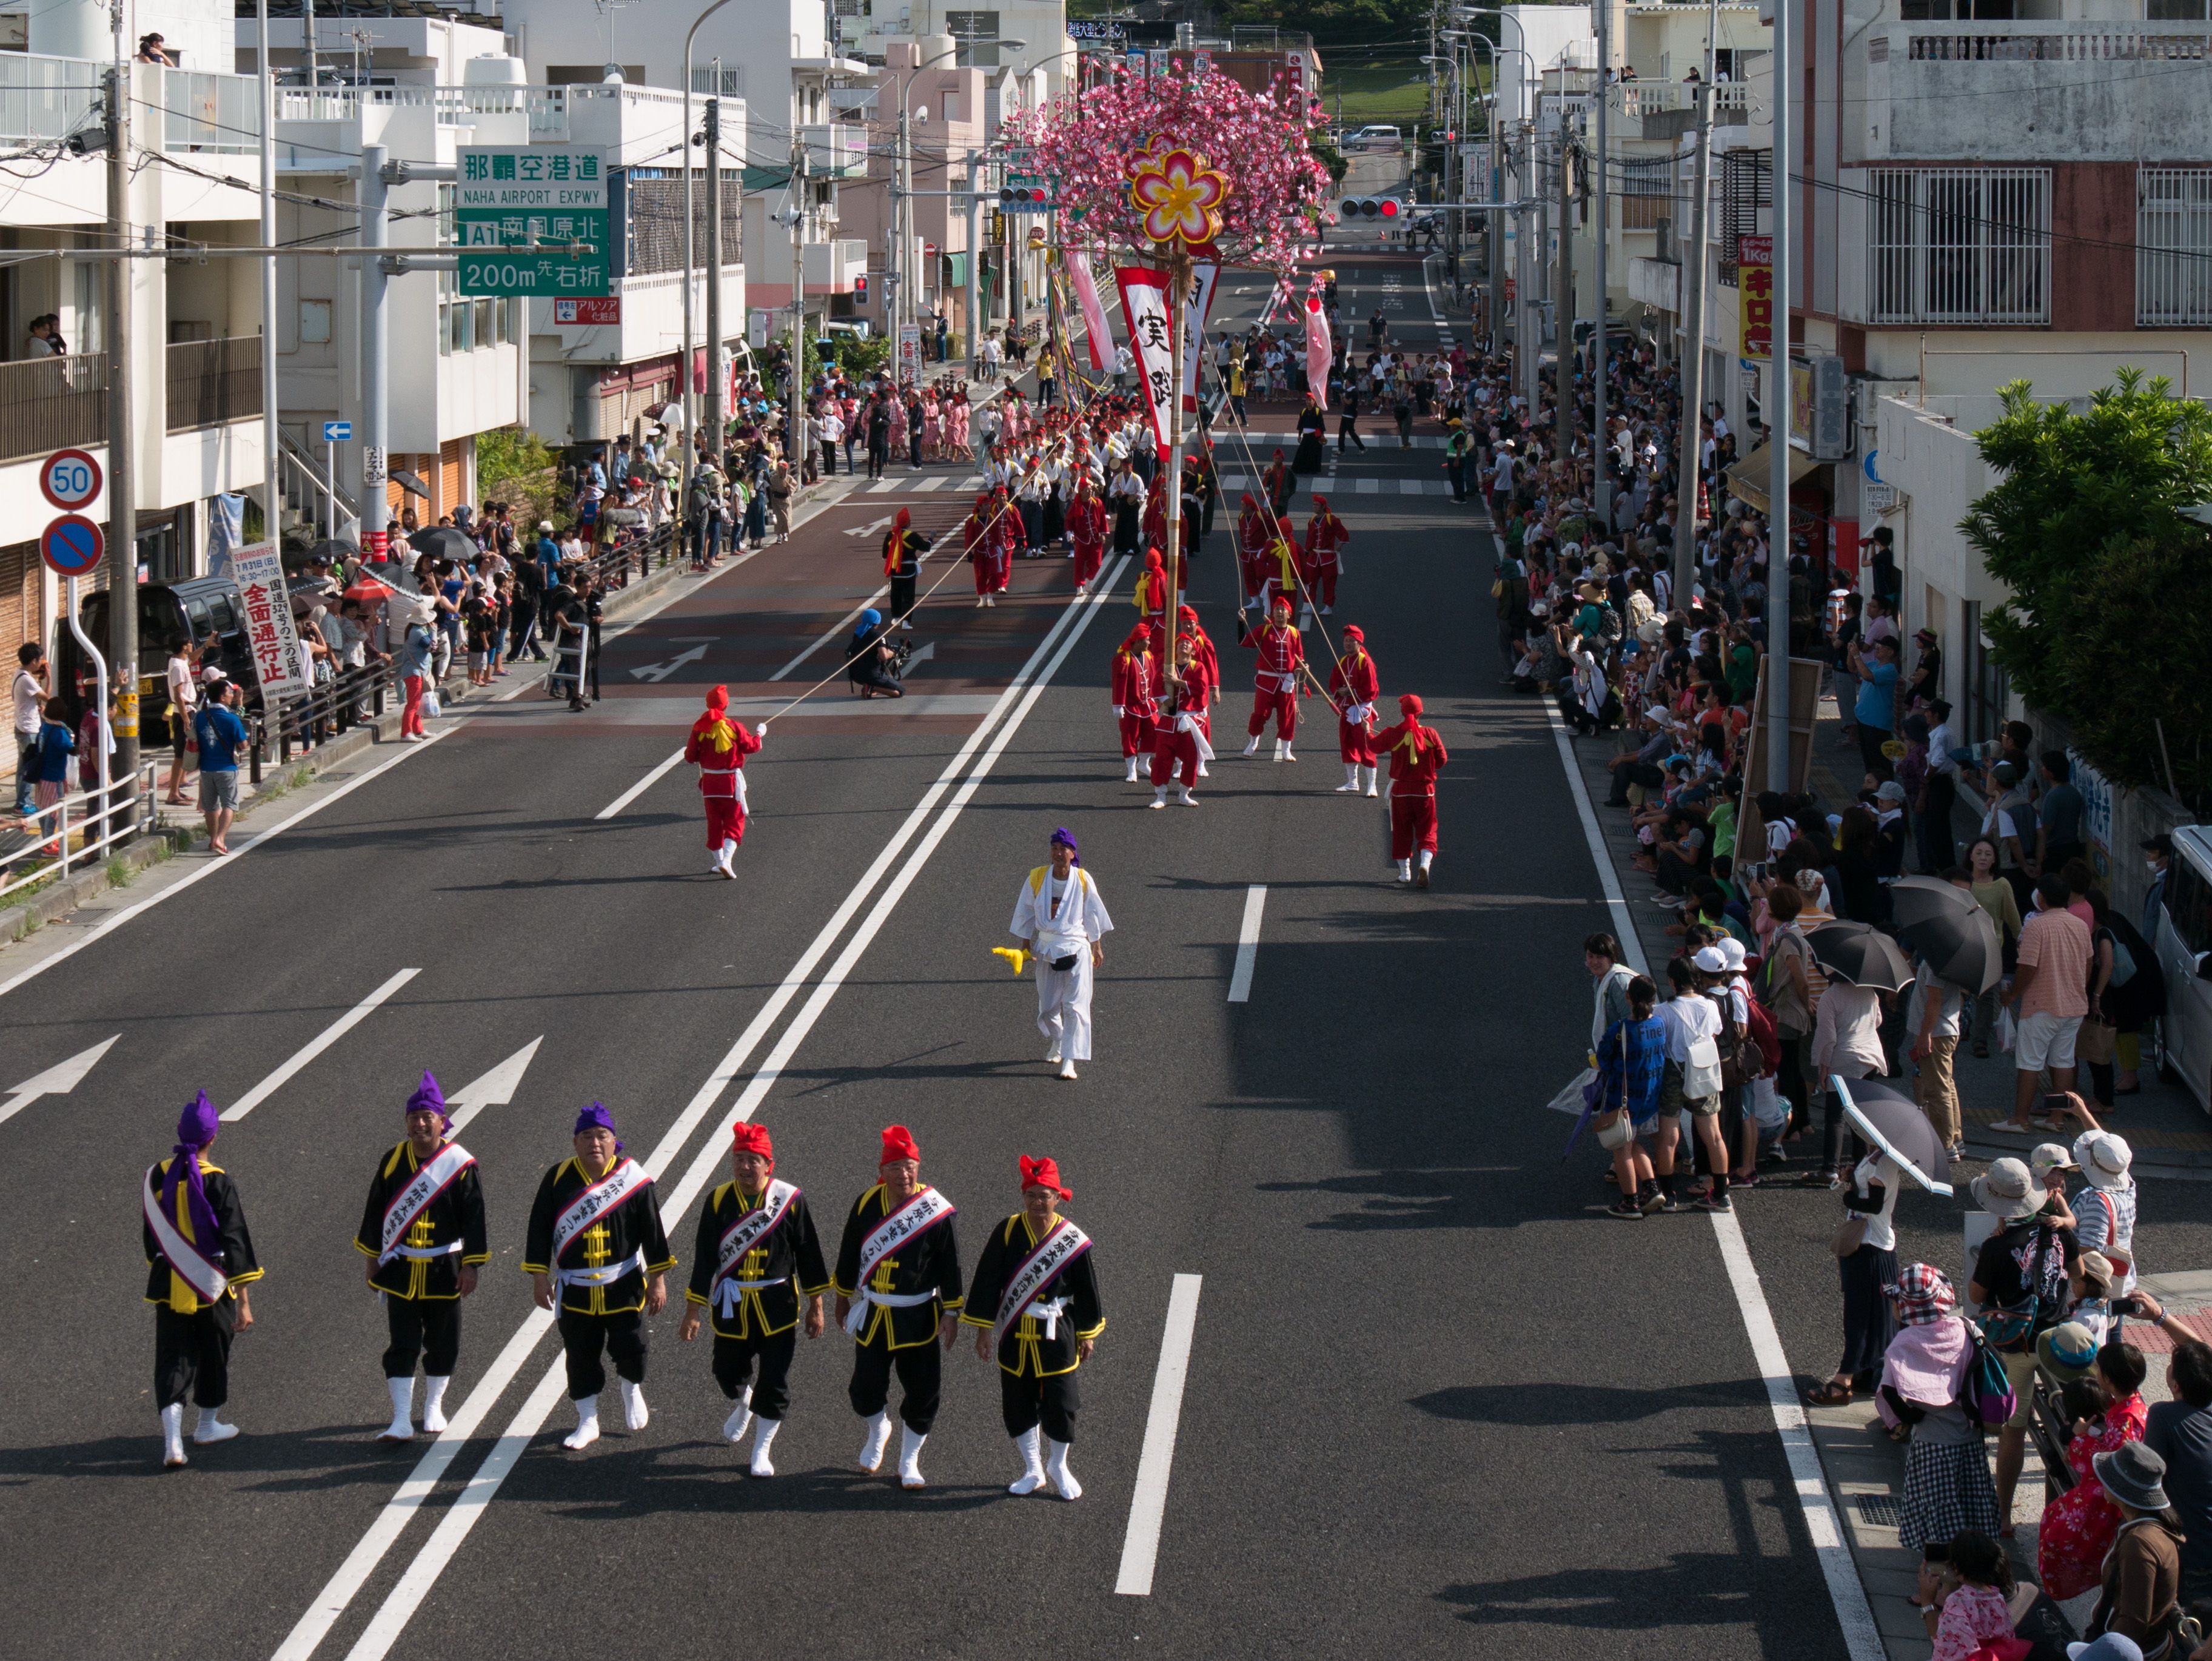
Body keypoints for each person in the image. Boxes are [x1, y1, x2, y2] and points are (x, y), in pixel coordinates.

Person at [679, 1121, 830, 1477]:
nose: (745, 1167)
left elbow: (809, 1255)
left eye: (753, 1160)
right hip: (732, 1306)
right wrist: (693, 1310)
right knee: (725, 1371)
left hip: (777, 1307)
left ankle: (761, 1448)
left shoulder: (790, 1200)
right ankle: (744, 1402)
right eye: (739, 1160)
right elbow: (705, 1258)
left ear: (768, 1165)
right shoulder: (718, 1200)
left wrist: (817, 1306)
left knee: (774, 1380)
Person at [522, 1104, 676, 1451]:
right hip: (576, 1288)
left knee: (633, 1345)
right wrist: (539, 1277)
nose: (594, 1143)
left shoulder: (632, 1178)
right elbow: (539, 1229)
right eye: (587, 1136)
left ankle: (631, 1388)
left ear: (613, 1141)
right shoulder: (558, 1178)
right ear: (575, 1142)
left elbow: (653, 1231)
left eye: (601, 1136)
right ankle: (587, 1420)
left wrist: (658, 1280)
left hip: (622, 1283)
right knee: (580, 1355)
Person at [353, 1072, 488, 1443]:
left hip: (445, 1268)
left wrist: (472, 1266)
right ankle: (400, 1418)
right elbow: (375, 1212)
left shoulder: (459, 1164)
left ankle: (433, 1407)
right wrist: (372, 1261)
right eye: (414, 1117)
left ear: (442, 1122)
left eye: (428, 1117)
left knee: (444, 1342)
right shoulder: (393, 1160)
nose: (420, 1124)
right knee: (403, 1342)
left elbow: (474, 1217)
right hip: (401, 1269)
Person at [962, 1155, 1106, 1500]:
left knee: (1063, 1402)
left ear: (1058, 1198)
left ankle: (1058, 1465)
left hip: (1058, 1330)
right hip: (1016, 1331)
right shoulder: (1008, 1230)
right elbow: (987, 1281)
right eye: (1031, 1195)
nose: (1037, 1202)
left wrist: (1086, 1334)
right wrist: (984, 1330)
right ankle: (1032, 1468)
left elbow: (1087, 1288)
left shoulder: (1070, 1238)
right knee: (1018, 1401)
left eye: (1044, 1196)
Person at [833, 1126, 964, 1491]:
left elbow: (951, 1264)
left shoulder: (935, 1210)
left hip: (919, 1316)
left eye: (910, 1167)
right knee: (864, 1388)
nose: (904, 1174)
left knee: (923, 1391)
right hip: (875, 1314)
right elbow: (849, 1252)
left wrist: (951, 1313)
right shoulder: (866, 1203)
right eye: (895, 1167)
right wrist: (841, 1296)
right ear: (882, 1170)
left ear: (918, 1168)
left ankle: (909, 1459)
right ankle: (879, 1429)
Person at [143, 1090, 263, 1468]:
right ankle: (207, 1427)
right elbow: (235, 1241)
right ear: (213, 1137)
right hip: (213, 1285)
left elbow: (151, 1238)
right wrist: (244, 1302)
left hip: (169, 1282)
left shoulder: (156, 1175)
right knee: (214, 1353)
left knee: (173, 1357)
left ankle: (173, 1442)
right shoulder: (218, 1182)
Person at [1968, 1155, 2080, 1534]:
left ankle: (2003, 1515)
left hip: (2016, 1346)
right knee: (2071, 1422)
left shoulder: (1996, 1247)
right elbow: (2079, 1276)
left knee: (2014, 1431)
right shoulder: (2059, 1232)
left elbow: (1976, 1295)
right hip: (2056, 1341)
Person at [1875, 1264, 2000, 1551]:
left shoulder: (1903, 1344)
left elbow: (1891, 1394)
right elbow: (1994, 1367)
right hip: (1970, 1439)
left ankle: (1940, 1572)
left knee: (1938, 1510)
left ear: (1904, 1307)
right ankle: (1979, 1565)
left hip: (1931, 1444)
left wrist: (1913, 1415)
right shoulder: (1965, 1328)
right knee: (1974, 1502)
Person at [2040, 1339, 2153, 1600]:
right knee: (2053, 1518)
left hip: (2111, 1497)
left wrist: (2079, 1439)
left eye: (2099, 1369)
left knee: (2055, 1533)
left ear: (2108, 1380)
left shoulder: (2126, 1419)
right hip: (2110, 1487)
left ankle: (2079, 1581)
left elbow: (2112, 1462)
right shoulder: (2131, 1406)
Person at [1008, 827, 1114, 1081]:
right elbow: (1025, 910)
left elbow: (1092, 914)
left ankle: (1069, 1059)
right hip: (1047, 947)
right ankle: (1058, 1039)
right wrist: (1025, 945)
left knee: (1075, 1006)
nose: (1058, 853)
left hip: (1076, 946)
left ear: (1072, 853)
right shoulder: (1037, 877)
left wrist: (1096, 946)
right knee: (1047, 1008)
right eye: (1054, 849)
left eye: (1063, 849)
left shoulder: (1083, 879)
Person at [1999, 873, 2094, 1133]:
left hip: (2041, 1004)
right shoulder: (2080, 926)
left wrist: (2013, 994)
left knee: (2030, 1063)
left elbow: (2027, 967)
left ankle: (2020, 1119)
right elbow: (2088, 963)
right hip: (2074, 1005)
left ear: (2041, 898)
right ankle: (2056, 1118)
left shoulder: (2036, 926)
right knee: (2063, 1062)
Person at [2082, 1442, 2185, 1659]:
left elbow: (2133, 1622)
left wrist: (2097, 1656)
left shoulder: (2138, 1543)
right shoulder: (2149, 1526)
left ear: (2122, 1489)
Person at [2140, 1334, 2212, 1606]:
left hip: (2194, 1554)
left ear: (2176, 1385)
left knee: (2188, 1624)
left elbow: (2148, 1479)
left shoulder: (2163, 1415)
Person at [685, 684, 763, 879]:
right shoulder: (734, 726)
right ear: (726, 705)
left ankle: (718, 861)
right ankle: (726, 861)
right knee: (734, 821)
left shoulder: (699, 727)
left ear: (708, 704)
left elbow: (690, 757)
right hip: (730, 783)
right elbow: (752, 747)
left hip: (709, 783)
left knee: (714, 823)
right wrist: (760, 734)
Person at [1373, 692, 1449, 888]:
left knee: (1401, 831)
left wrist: (1366, 731)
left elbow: (1374, 746)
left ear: (1402, 712)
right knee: (1427, 830)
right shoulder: (1431, 734)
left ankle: (1404, 873)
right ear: (1421, 712)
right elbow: (1442, 760)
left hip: (1401, 791)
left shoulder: (1393, 733)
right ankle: (1424, 864)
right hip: (1425, 790)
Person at [1920, 1530, 2017, 1661]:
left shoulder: (1957, 1601)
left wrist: (1927, 1600)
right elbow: (2007, 1639)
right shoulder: (1998, 1599)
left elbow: (1945, 1646)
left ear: (1955, 1566)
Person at [1242, 596, 1305, 762]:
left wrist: (1301, 666)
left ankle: (1286, 750)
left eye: (1283, 610)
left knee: (1287, 716)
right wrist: (1241, 623)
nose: (1280, 612)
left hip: (1287, 682)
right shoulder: (1264, 630)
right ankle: (1253, 742)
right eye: (1277, 609)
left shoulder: (1294, 633)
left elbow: (1299, 655)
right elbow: (1244, 641)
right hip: (1266, 681)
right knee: (1260, 714)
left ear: (1289, 614)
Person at [190, 679, 248, 855]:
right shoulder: (232, 719)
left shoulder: (200, 717)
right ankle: (220, 839)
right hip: (227, 768)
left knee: (211, 807)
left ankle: (212, 840)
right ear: (223, 697)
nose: (232, 695)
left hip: (206, 768)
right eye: (230, 693)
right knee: (229, 805)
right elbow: (243, 744)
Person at [1329, 625, 1381, 796]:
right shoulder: (1343, 661)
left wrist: (1351, 692)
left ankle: (1372, 785)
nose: (1348, 644)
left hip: (1361, 711)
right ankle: (1352, 782)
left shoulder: (1365, 662)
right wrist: (1339, 691)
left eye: (1352, 641)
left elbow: (1371, 689)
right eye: (1346, 641)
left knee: (1366, 746)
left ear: (1359, 643)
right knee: (1347, 745)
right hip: (1346, 710)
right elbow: (1334, 682)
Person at [162, 637, 200, 805]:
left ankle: (176, 790)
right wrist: (185, 718)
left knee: (184, 753)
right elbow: (178, 695)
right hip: (183, 711)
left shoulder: (180, 661)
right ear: (184, 647)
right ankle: (173, 794)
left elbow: (192, 658)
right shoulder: (178, 667)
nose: (192, 646)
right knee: (180, 754)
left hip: (188, 710)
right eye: (190, 643)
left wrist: (206, 646)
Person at [13, 641, 47, 825]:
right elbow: (47, 697)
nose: (41, 662)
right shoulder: (27, 679)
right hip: (29, 730)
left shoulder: (19, 673)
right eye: (39, 659)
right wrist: (49, 676)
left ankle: (21, 802)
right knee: (29, 768)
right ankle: (23, 804)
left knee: (22, 768)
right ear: (33, 661)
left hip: (22, 727)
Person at [1302, 495, 1349, 617]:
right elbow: (1309, 538)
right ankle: (1309, 605)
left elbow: (1343, 533)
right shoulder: (1312, 520)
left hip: (1327, 557)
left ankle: (1328, 606)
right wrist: (1306, 552)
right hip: (1314, 556)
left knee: (1329, 582)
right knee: (1310, 581)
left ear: (1323, 507)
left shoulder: (1331, 519)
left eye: (1317, 505)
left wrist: (1340, 545)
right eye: (1313, 504)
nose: (1314, 507)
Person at [882, 506, 927, 629]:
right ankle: (906, 621)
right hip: (909, 571)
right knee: (908, 597)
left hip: (895, 571)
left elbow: (885, 555)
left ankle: (895, 617)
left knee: (895, 595)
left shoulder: (890, 535)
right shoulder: (913, 536)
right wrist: (931, 539)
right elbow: (926, 547)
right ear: (908, 523)